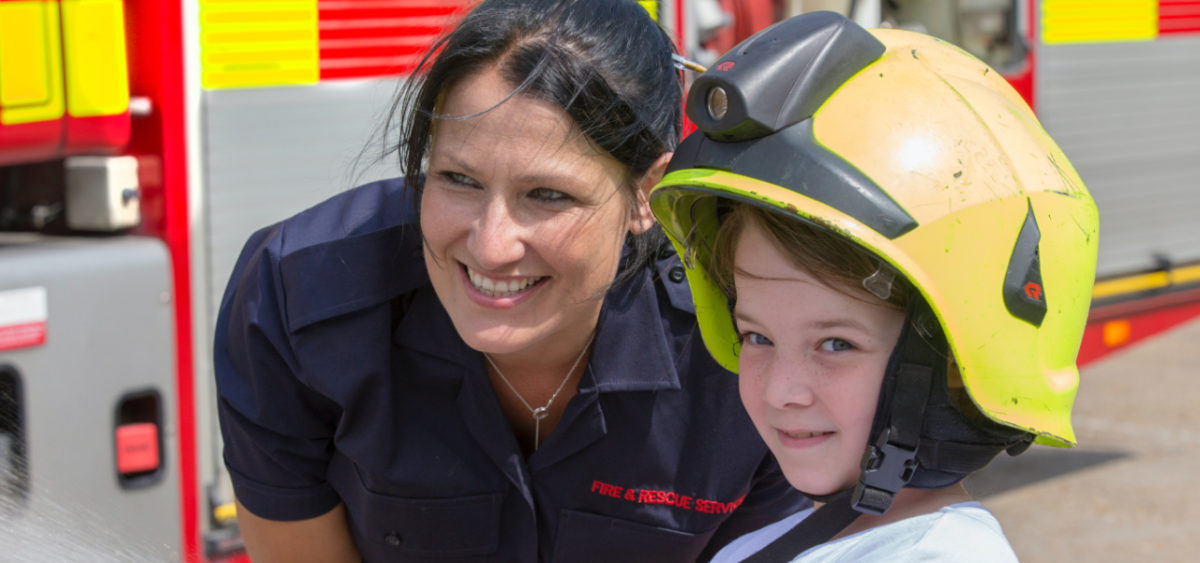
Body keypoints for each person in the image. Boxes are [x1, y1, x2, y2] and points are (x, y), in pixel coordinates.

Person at [212, 1, 810, 561]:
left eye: (548, 194)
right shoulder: (294, 299)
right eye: (458, 180)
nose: (491, 246)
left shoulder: (749, 334)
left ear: (646, 195)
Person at [650, 11, 1099, 562]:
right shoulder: (767, 541)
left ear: (956, 366)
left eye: (836, 344)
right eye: (757, 337)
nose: (780, 391)